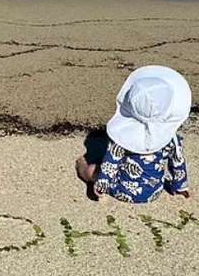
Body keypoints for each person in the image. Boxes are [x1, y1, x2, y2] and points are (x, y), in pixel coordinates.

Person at [76, 65, 192, 204]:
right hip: (154, 191)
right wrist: (180, 186)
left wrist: (101, 186)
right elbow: (178, 161)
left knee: (91, 169)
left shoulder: (122, 138)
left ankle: (81, 166)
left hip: (123, 191)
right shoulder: (171, 137)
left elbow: (111, 164)